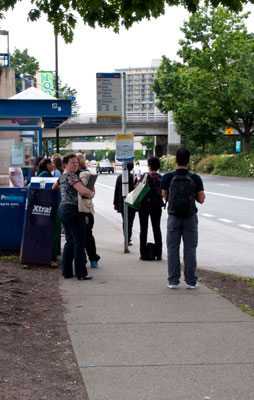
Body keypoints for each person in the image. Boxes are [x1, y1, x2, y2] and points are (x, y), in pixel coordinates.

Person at [161, 147, 205, 289]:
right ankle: (191, 281)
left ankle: (173, 281)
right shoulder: (195, 178)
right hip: (190, 217)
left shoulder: (168, 177)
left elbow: (164, 195)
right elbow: (201, 199)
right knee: (190, 249)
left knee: (172, 248)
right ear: (189, 161)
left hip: (173, 217)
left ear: (175, 160)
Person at [52, 153, 94, 280]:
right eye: (72, 163)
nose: (76, 165)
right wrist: (90, 194)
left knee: (70, 242)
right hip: (74, 210)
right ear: (65, 164)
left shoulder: (63, 176)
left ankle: (67, 272)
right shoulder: (71, 176)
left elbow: (54, 187)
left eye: (77, 162)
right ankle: (81, 273)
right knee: (79, 242)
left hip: (63, 209)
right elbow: (84, 191)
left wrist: (65, 191)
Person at [77, 153, 100, 267]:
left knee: (78, 237)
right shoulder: (89, 175)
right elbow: (93, 193)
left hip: (77, 209)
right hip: (88, 208)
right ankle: (93, 259)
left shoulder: (74, 175)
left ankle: (81, 260)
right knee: (89, 235)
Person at [138, 156, 164, 260]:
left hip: (144, 205)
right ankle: (159, 253)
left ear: (149, 166)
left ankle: (143, 253)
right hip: (157, 205)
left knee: (143, 229)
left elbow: (137, 189)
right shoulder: (161, 178)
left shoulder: (145, 177)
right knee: (156, 228)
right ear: (158, 166)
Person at [113, 161, 137, 245]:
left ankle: (126, 238)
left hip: (121, 202)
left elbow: (116, 191)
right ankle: (128, 238)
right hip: (131, 202)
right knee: (130, 221)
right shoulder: (133, 177)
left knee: (125, 221)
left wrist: (115, 203)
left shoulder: (120, 177)